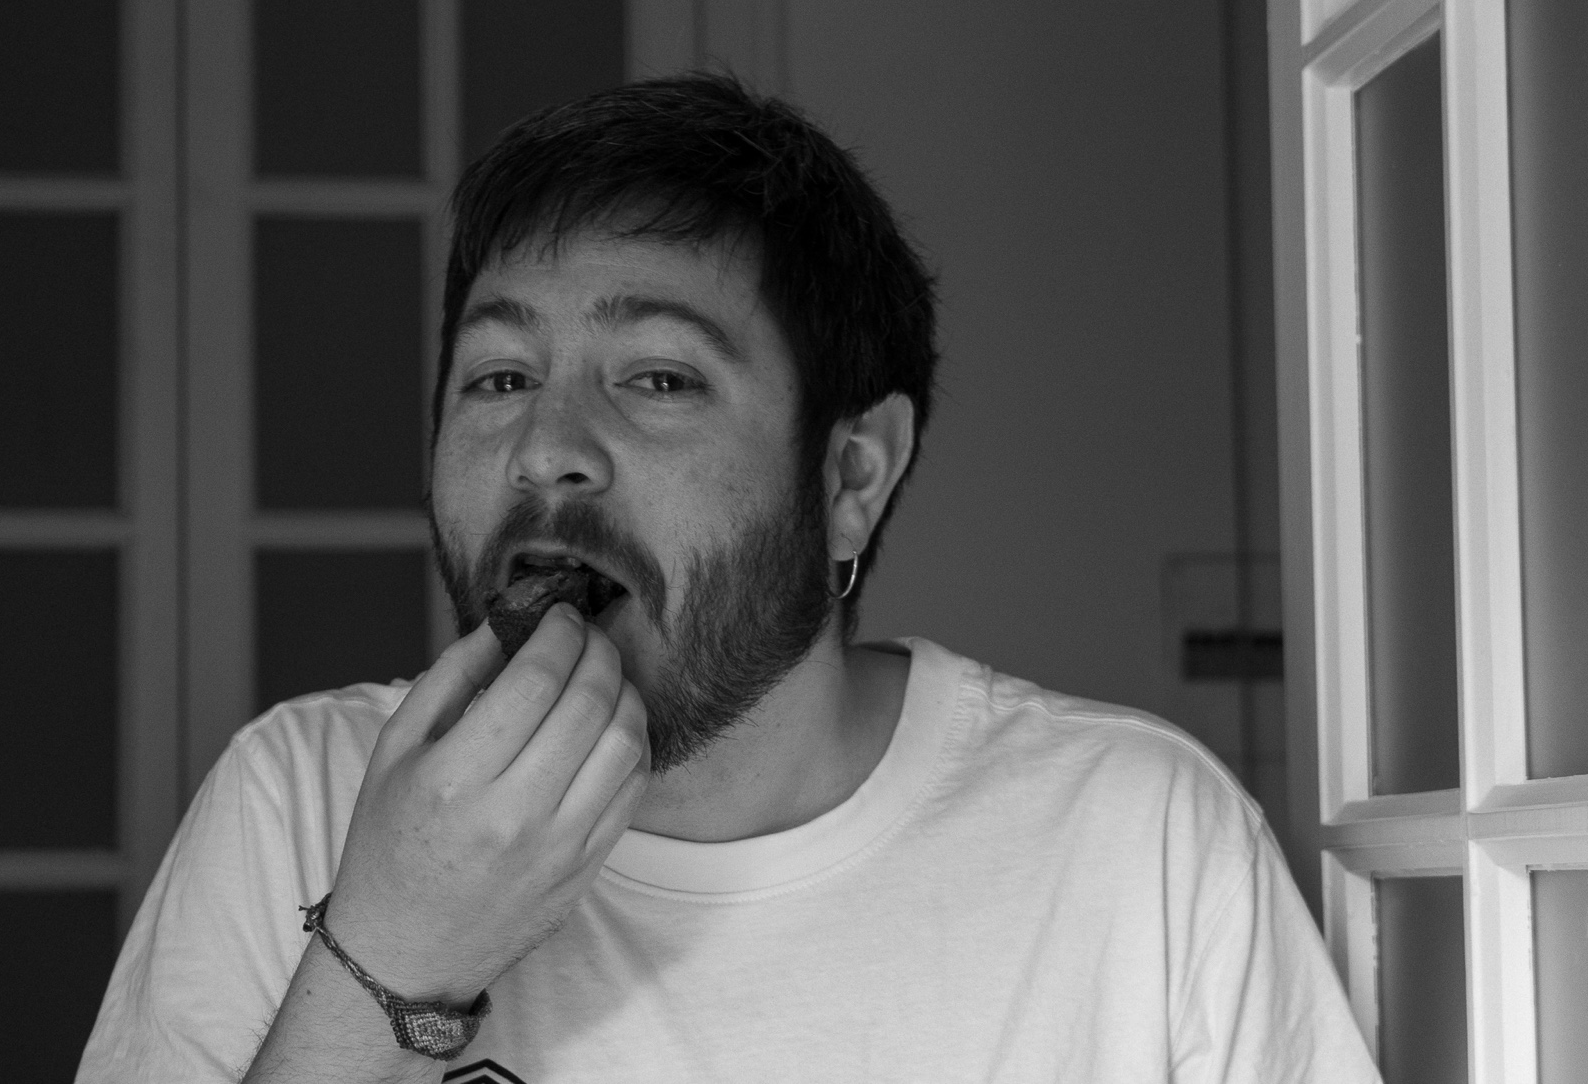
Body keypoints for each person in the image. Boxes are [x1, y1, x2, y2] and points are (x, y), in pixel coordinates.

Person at [77, 74, 1378, 1082]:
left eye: (657, 377)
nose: (545, 448)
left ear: (850, 474)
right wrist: (388, 956)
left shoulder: (1135, 842)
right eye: (499, 377)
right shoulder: (301, 801)